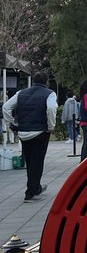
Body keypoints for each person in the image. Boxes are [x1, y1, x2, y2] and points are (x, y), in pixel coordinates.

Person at [2, 72, 57, 202]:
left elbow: (6, 107)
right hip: (39, 132)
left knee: (30, 161)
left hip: (23, 132)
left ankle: (35, 187)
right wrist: (51, 126)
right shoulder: (49, 93)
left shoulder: (21, 93)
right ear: (46, 81)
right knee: (37, 162)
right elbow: (51, 109)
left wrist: (13, 122)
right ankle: (31, 192)